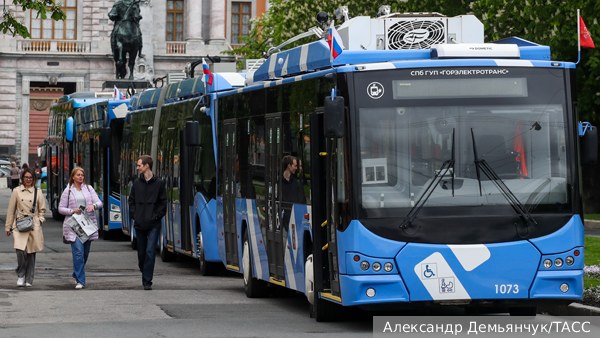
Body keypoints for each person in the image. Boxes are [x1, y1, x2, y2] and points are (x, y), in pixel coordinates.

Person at [58, 167, 102, 289]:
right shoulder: (68, 191)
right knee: (78, 253)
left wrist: (93, 205)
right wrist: (72, 211)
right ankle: (80, 281)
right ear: (73, 177)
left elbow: (99, 202)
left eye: (82, 175)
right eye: (78, 175)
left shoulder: (89, 189)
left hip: (87, 225)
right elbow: (61, 209)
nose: (81, 177)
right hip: (74, 226)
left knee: (85, 254)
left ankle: (76, 272)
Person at [129, 155, 167, 290]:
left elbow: (163, 202)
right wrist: (135, 215)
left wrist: (156, 216)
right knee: (141, 253)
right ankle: (144, 270)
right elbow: (131, 201)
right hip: (139, 223)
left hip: (153, 224)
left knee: (150, 251)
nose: (137, 167)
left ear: (147, 166)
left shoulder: (159, 183)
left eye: (139, 165)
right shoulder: (136, 183)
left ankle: (147, 280)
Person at [5, 168, 46, 287]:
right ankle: (21, 274)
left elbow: (42, 209)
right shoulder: (16, 191)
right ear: (22, 178)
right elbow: (11, 210)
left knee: (31, 253)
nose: (28, 179)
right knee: (20, 251)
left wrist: (40, 220)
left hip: (33, 224)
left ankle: (29, 279)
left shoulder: (37, 192)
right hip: (19, 224)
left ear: (34, 179)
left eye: (30, 177)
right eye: (26, 177)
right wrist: (8, 227)